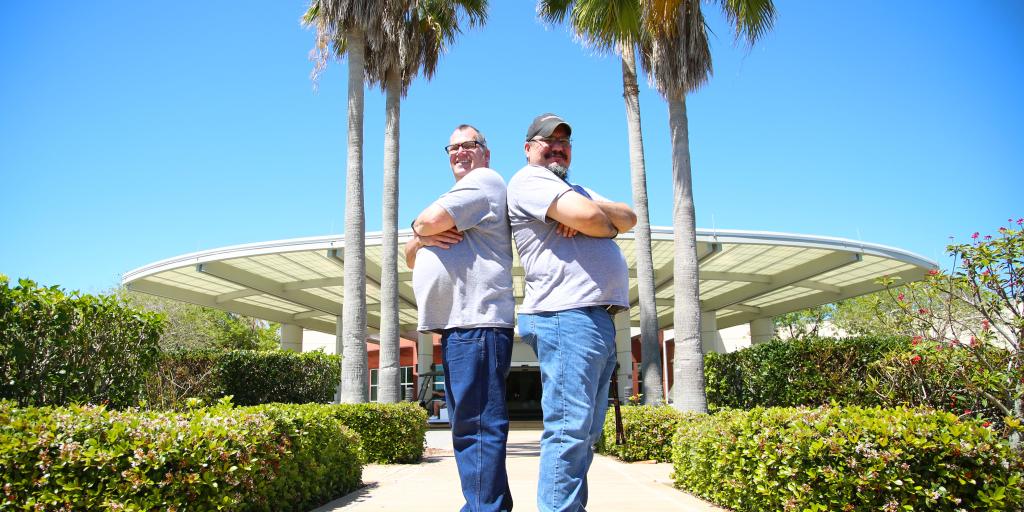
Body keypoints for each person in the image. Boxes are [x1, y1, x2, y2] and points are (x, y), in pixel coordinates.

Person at [506, 113, 637, 512]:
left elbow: (628, 216)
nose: (558, 147)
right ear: (529, 148)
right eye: (548, 141)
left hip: (593, 319)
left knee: (586, 432)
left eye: (564, 142)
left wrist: (588, 210)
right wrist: (595, 220)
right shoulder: (529, 179)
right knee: (569, 430)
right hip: (566, 315)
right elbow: (595, 219)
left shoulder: (573, 188)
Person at [406, 124, 515, 512]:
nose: (459, 152)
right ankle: (484, 505)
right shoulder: (463, 196)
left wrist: (422, 231)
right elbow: (410, 253)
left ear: (486, 152)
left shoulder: (483, 182)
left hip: (477, 322)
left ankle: (486, 508)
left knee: (478, 428)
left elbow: (426, 222)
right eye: (452, 147)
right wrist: (422, 237)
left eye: (468, 144)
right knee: (468, 428)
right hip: (461, 326)